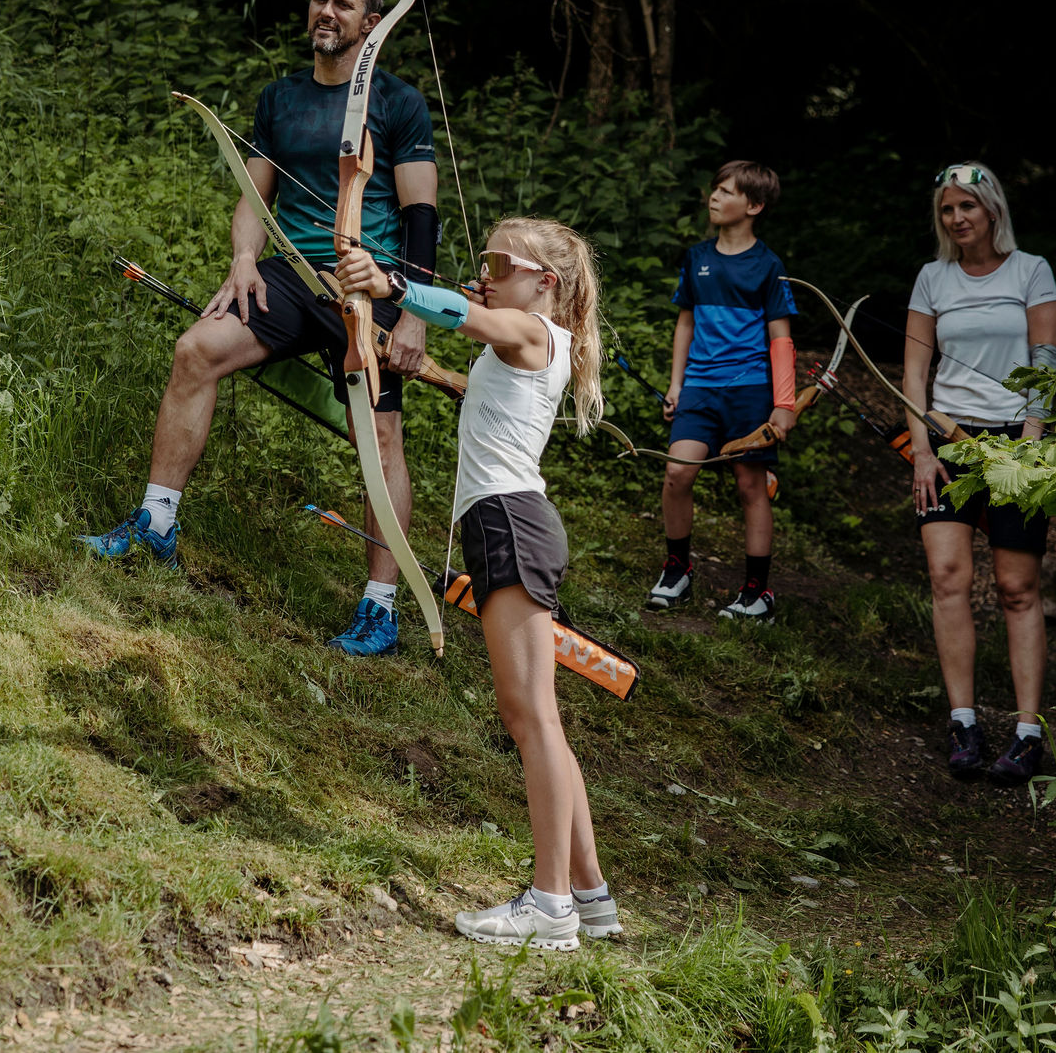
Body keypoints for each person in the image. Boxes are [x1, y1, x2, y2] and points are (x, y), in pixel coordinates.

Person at [81, 0, 443, 658]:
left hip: (370, 294)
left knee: (380, 439)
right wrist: (244, 259)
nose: (326, 12)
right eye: (319, 0)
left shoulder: (399, 103)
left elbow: (421, 213)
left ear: (374, 24)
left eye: (343, 4)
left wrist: (416, 312)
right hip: (289, 275)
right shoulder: (280, 99)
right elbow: (255, 195)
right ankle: (156, 526)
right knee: (196, 351)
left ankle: (383, 607)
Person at [334, 217, 618, 951]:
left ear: (545, 283)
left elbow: (467, 314)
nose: (486, 271)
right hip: (512, 524)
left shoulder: (527, 331)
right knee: (539, 720)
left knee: (532, 720)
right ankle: (590, 898)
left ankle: (549, 906)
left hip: (508, 525)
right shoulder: (530, 343)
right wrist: (422, 359)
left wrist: (391, 285)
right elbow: (482, 364)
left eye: (501, 261)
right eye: (483, 259)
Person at [904, 162, 1056, 786]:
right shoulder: (931, 278)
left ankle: (1027, 734)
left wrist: (1028, 448)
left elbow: (1046, 365)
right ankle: (963, 722)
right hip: (948, 443)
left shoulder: (1031, 271)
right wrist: (922, 450)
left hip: (1015, 447)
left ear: (991, 208)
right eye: (947, 210)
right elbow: (914, 377)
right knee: (948, 578)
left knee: (1017, 589)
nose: (956, 218)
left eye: (966, 206)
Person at [646, 161, 799, 621]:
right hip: (699, 388)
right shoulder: (697, 257)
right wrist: (677, 385)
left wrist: (783, 404)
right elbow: (686, 321)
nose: (713, 196)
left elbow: (781, 337)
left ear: (754, 205)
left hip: (750, 390)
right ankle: (677, 570)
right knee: (678, 474)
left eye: (726, 191)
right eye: (714, 188)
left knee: (750, 484)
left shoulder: (768, 265)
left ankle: (758, 593)